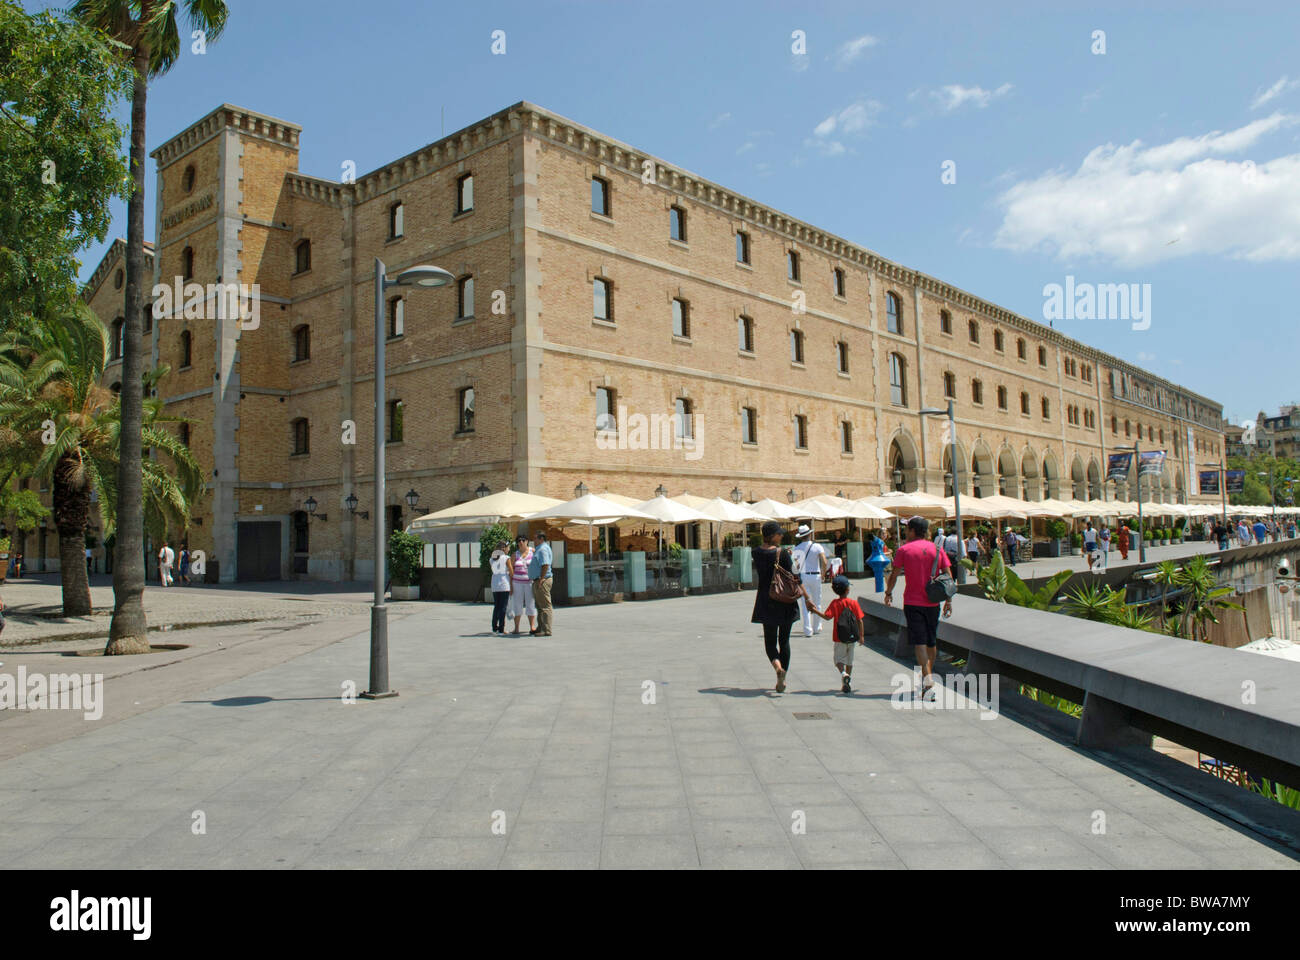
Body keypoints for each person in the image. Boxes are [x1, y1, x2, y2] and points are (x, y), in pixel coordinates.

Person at [884, 516, 954, 700]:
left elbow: (894, 575)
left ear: (913, 531)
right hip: (933, 602)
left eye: (907, 529)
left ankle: (928, 678)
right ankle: (928, 680)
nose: (906, 532)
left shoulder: (904, 550)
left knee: (919, 642)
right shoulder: (937, 549)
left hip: (913, 602)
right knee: (931, 641)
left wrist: (888, 592)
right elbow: (948, 576)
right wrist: (948, 600)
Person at [751, 520, 811, 693]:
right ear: (772, 535)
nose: (782, 535)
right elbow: (795, 576)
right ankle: (783, 674)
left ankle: (778, 667)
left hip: (766, 600)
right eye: (779, 533)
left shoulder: (756, 552)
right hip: (785, 601)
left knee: (770, 641)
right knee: (784, 640)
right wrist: (807, 598)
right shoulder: (782, 553)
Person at [807, 575, 865, 694]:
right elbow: (860, 620)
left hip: (839, 638)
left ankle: (843, 674)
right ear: (848, 590)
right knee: (850, 661)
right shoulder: (853, 603)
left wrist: (814, 611)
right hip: (852, 638)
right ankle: (847, 680)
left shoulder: (835, 603)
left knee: (838, 660)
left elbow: (827, 617)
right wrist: (862, 636)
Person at [792, 524, 827, 637]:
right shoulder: (817, 546)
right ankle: (817, 627)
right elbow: (825, 562)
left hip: (803, 576)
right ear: (810, 534)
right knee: (817, 601)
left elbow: (796, 567)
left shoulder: (797, 548)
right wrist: (823, 573)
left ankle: (808, 629)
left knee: (804, 603)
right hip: (816, 575)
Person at [509, 534, 536, 635]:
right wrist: (511, 586)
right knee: (517, 605)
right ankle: (516, 628)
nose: (521, 542)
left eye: (523, 540)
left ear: (527, 541)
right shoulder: (514, 555)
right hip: (517, 583)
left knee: (530, 604)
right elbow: (511, 572)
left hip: (530, 582)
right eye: (519, 540)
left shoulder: (533, 552)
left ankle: (532, 626)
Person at [529, 531, 554, 637]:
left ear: (541, 539)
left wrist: (541, 579)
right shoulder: (539, 549)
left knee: (545, 606)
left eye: (535, 538)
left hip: (542, 580)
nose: (533, 541)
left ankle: (546, 629)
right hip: (538, 579)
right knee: (539, 605)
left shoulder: (543, 549)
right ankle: (540, 627)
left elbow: (545, 565)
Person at [489, 539, 511, 634]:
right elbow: (511, 571)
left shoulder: (492, 558)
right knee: (503, 607)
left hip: (494, 584)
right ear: (503, 548)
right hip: (504, 584)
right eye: (508, 547)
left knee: (496, 606)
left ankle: (495, 628)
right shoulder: (506, 558)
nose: (509, 549)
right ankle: (501, 628)